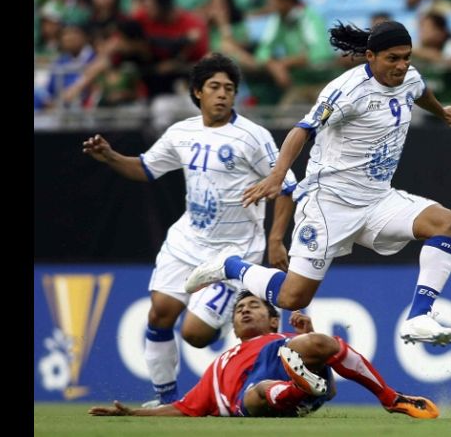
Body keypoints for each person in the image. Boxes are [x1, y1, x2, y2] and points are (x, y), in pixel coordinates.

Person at [185, 20, 451, 346]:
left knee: (447, 224)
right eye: (393, 58)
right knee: (292, 297)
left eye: (406, 57)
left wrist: (442, 112)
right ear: (370, 57)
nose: (402, 65)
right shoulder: (346, 92)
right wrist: (278, 174)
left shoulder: (409, 77)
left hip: (377, 200)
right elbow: (302, 129)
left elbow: (420, 92)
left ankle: (419, 317)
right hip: (329, 204)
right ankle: (230, 265)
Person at [81, 53, 297, 406]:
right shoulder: (181, 133)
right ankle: (165, 399)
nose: (223, 94)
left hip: (233, 253)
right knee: (159, 314)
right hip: (186, 242)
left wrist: (276, 240)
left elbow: (287, 186)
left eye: (229, 88)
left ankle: (227, 319)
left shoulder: (252, 137)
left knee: (195, 335)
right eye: (214, 87)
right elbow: (146, 169)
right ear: (197, 92)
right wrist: (110, 157)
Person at [88, 291, 439, 418]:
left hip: (290, 365)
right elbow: (184, 408)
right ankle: (299, 388)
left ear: (274, 318)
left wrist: (308, 338)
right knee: (258, 390)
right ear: (234, 327)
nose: (243, 311)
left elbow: (331, 390)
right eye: (239, 309)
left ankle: (391, 398)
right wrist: (133, 413)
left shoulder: (284, 337)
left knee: (321, 343)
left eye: (253, 305)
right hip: (255, 399)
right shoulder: (218, 366)